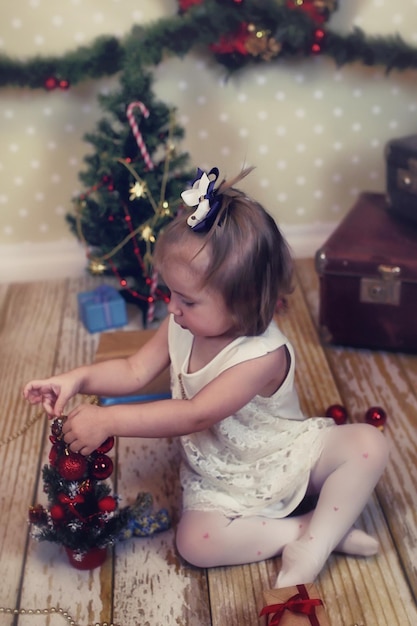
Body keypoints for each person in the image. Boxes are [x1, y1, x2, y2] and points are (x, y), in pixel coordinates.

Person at [23, 166, 389, 588]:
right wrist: (77, 379)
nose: (173, 308)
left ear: (244, 301)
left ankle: (319, 542)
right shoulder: (181, 324)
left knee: (368, 445)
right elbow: (133, 369)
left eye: (188, 300)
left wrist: (109, 420)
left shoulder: (261, 356)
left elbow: (195, 415)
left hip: (283, 453)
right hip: (218, 472)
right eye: (170, 293)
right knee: (196, 544)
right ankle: (306, 529)